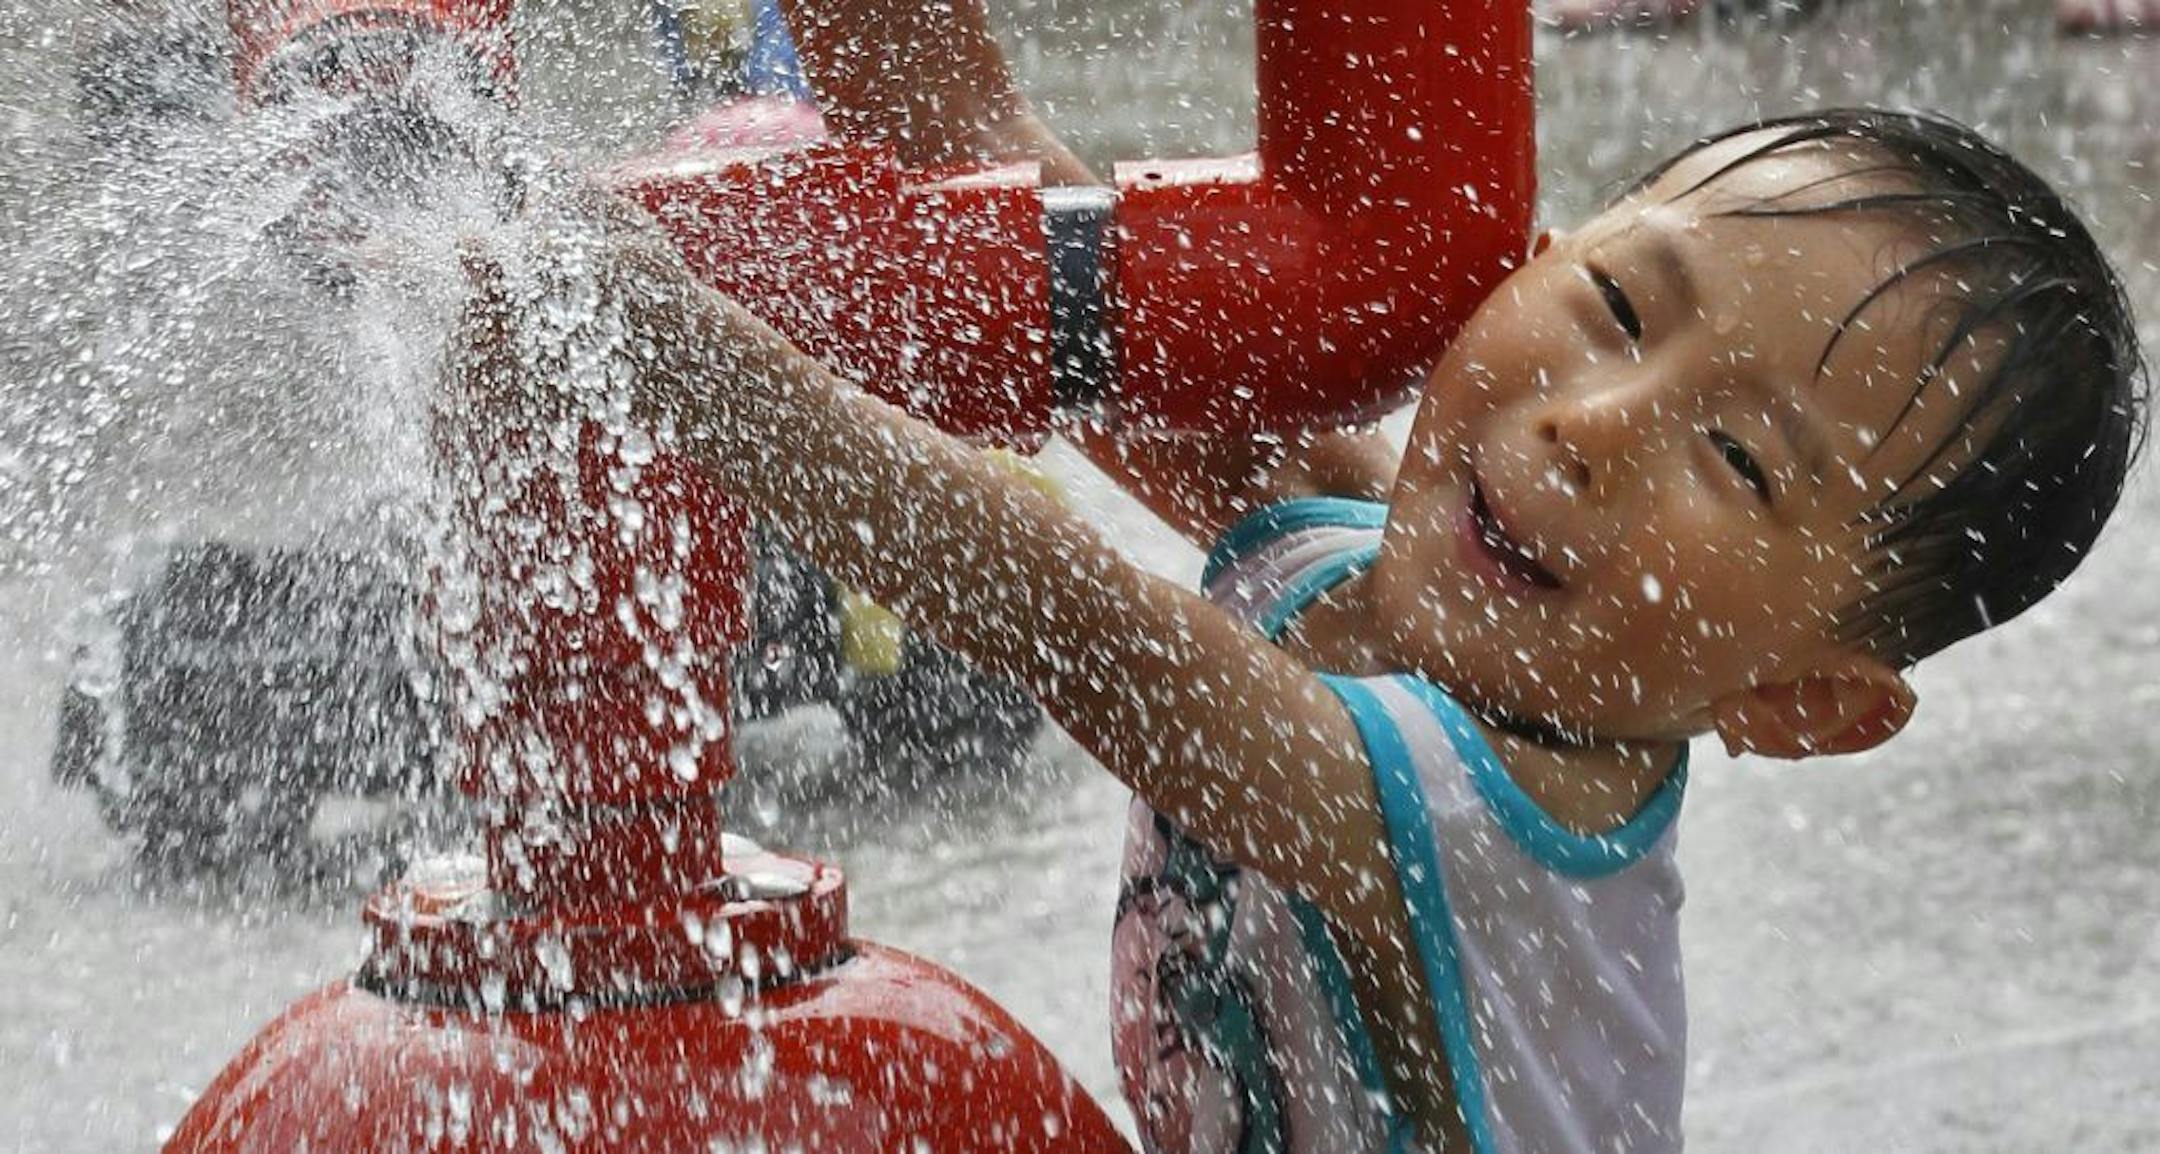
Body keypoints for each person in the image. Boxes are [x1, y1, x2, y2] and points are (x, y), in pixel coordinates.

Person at [449, 11, 2147, 1150]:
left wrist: (624, 317)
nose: (1594, 424)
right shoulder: (1355, 562)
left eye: (1745, 460)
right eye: (1624, 308)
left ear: (1800, 704)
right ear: (1537, 256)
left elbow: (1064, 609)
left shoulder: (1504, 824)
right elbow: (1013, 194)